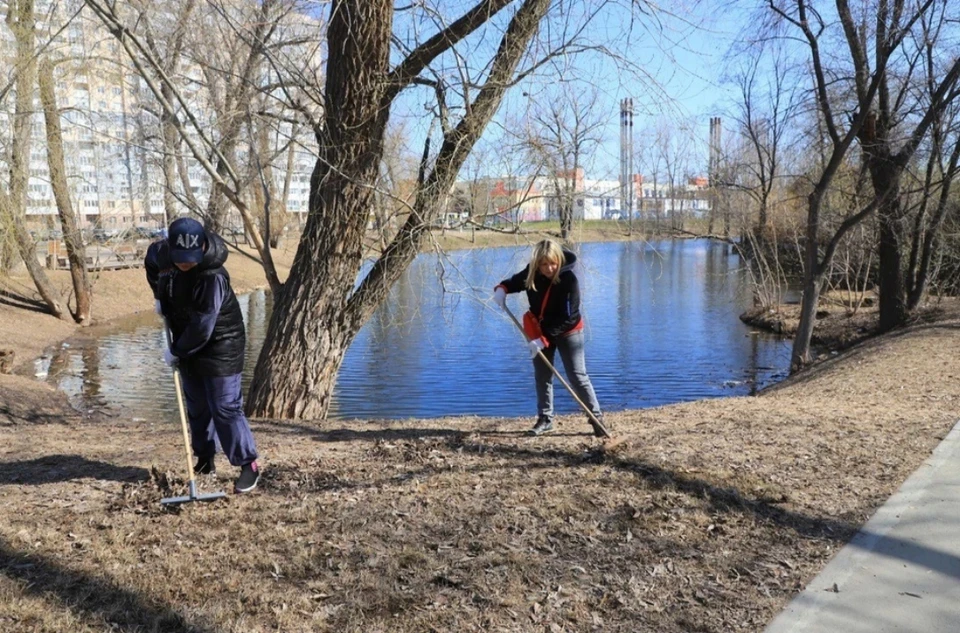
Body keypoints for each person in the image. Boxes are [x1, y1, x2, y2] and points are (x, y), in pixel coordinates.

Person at [145, 217, 261, 493]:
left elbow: (203, 325)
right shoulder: (161, 254)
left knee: (224, 406)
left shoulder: (213, 276)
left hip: (221, 342)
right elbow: (152, 263)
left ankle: (248, 465)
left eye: (191, 258)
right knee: (197, 405)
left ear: (203, 246)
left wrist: (177, 351)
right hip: (185, 334)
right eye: (180, 258)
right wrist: (159, 296)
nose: (185, 263)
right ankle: (205, 460)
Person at [493, 239, 605, 437]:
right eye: (544, 264)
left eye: (552, 263)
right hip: (540, 329)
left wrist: (543, 340)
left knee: (577, 376)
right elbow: (514, 282)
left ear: (559, 260)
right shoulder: (532, 274)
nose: (549, 268)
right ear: (538, 263)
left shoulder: (569, 281)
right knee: (542, 376)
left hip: (569, 331)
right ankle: (545, 419)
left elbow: (569, 318)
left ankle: (596, 419)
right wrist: (502, 289)